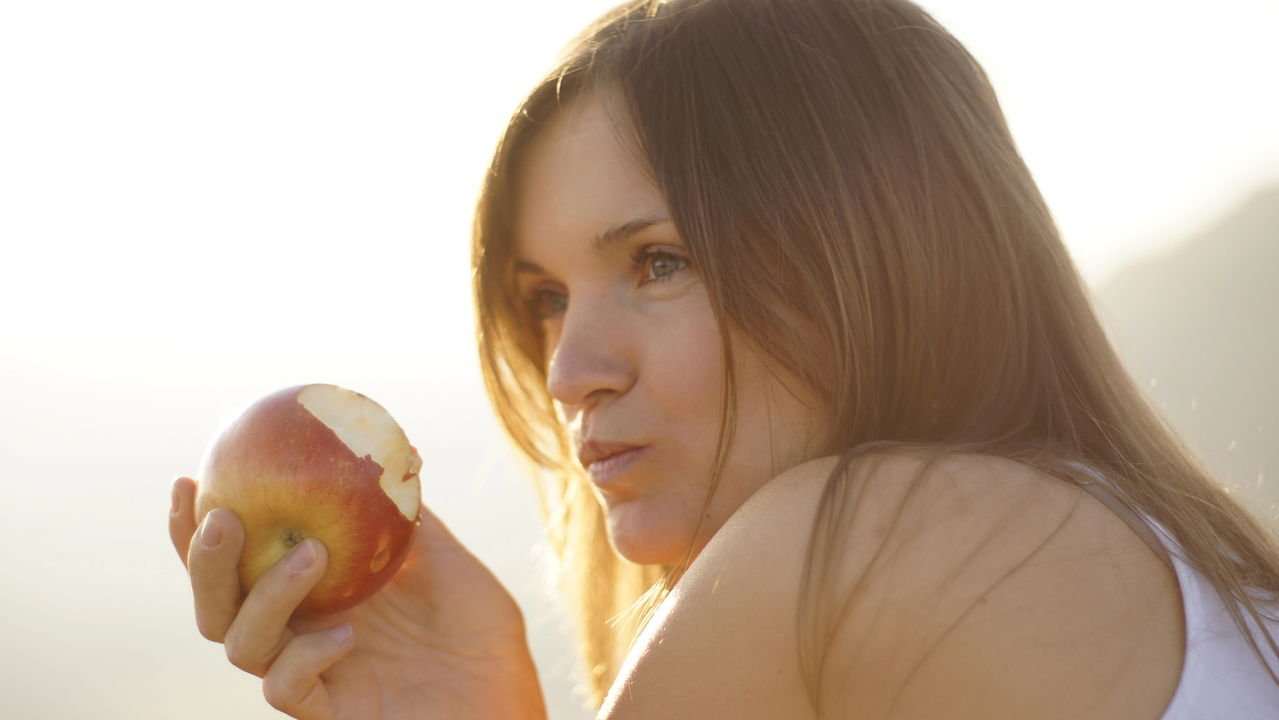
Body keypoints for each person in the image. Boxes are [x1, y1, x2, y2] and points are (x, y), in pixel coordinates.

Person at [168, 0, 1279, 717]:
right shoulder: (1171, 575)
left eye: (659, 262)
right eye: (546, 299)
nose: (569, 372)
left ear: (876, 248)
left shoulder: (852, 540)